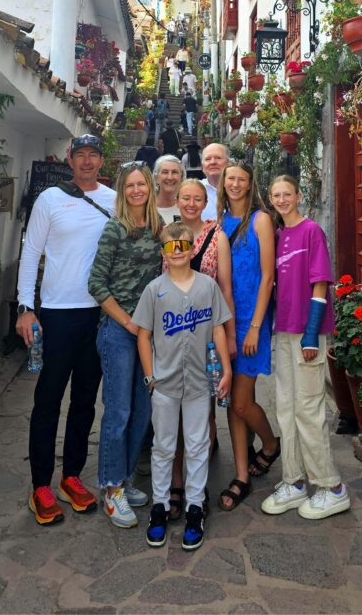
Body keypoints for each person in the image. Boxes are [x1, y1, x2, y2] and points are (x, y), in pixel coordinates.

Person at [16, 134, 116, 526]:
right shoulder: (50, 199)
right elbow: (30, 251)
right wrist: (26, 307)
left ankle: (71, 476)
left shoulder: (113, 199)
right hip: (57, 313)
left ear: (101, 161)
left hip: (99, 313)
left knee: (86, 400)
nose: (88, 162)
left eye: (94, 155)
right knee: (48, 400)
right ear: (69, 160)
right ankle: (40, 483)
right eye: (81, 156)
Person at [135, 221, 232, 551]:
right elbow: (144, 334)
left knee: (196, 444)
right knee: (163, 447)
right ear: (163, 252)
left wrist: (226, 369)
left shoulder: (207, 286)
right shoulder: (154, 290)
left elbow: (218, 328)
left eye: (183, 246)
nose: (177, 252)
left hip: (198, 381)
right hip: (163, 382)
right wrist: (149, 377)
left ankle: (194, 508)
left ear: (192, 249)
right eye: (170, 247)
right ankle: (159, 507)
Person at [261, 175, 351, 520]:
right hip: (282, 331)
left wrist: (313, 334)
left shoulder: (311, 231)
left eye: (288, 194)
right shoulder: (279, 235)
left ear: (298, 196)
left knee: (309, 410)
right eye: (276, 195)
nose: (282, 200)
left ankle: (331, 486)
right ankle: (294, 481)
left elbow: (320, 284)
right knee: (286, 408)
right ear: (271, 200)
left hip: (306, 334)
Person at [88, 162, 164, 528]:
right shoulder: (114, 229)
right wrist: (128, 323)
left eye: (141, 184)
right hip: (119, 332)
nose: (136, 190)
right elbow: (96, 284)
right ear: (122, 190)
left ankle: (126, 476)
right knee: (118, 412)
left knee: (143, 411)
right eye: (130, 185)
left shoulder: (158, 227)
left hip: (147, 335)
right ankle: (111, 488)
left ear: (149, 187)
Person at [217, 160, 279, 512]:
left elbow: (267, 277)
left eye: (241, 179)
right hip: (226, 321)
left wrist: (255, 325)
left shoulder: (260, 220)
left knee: (242, 401)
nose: (235, 184)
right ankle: (241, 472)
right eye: (230, 179)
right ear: (223, 183)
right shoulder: (218, 223)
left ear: (250, 182)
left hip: (252, 322)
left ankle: (270, 445)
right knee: (232, 404)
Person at [200, 142, 229, 220]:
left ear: (228, 163)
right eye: (208, 159)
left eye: (218, 158)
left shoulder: (238, 189)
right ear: (202, 165)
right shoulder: (195, 189)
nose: (212, 162)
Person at [153, 154, 183, 223]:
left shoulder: (187, 207)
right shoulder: (147, 208)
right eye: (165, 172)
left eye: (174, 172)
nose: (170, 177)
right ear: (156, 177)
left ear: (181, 177)